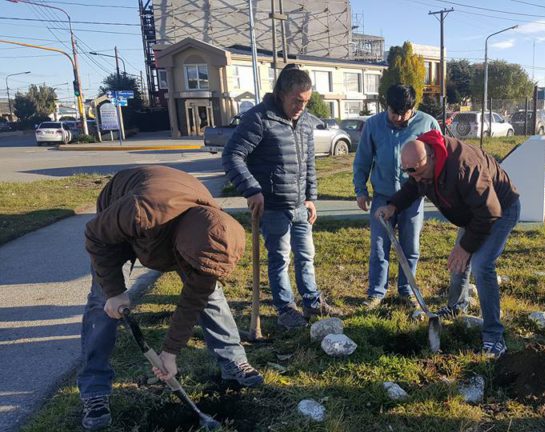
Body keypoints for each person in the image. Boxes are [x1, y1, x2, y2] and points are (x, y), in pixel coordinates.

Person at [78, 166, 263, 430]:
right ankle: (94, 390)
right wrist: (115, 291)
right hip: (120, 215)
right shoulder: (140, 212)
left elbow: (193, 297)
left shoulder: (214, 232)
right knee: (102, 305)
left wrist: (170, 352)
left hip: (175, 220)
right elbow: (95, 235)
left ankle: (233, 360)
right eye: (195, 265)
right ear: (181, 249)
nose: (198, 272)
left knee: (209, 293)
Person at [375, 129, 521, 358]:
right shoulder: (421, 169)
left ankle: (494, 336)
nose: (415, 177)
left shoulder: (464, 167)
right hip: (474, 213)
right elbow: (414, 186)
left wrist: (466, 247)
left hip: (499, 209)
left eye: (418, 172)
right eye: (409, 172)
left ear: (431, 156)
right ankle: (457, 305)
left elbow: (490, 212)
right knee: (458, 260)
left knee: (481, 264)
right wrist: (393, 206)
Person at [222, 64, 339, 330]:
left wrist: (311, 197)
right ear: (280, 94)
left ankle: (311, 300)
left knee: (306, 255)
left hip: (300, 205)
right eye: (297, 101)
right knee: (279, 258)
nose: (301, 106)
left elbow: (308, 161)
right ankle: (286, 308)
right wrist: (251, 189)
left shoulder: (306, 122)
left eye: (306, 101)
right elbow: (232, 155)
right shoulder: (258, 119)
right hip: (273, 205)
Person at [352, 84, 439, 310]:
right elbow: (362, 160)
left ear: (413, 108)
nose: (399, 118)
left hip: (413, 197)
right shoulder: (373, 125)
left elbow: (439, 158)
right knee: (379, 247)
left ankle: (406, 290)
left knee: (410, 247)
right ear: (386, 106)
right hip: (382, 196)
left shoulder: (427, 124)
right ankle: (376, 293)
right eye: (394, 112)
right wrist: (360, 190)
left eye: (405, 113)